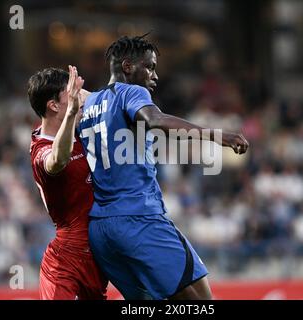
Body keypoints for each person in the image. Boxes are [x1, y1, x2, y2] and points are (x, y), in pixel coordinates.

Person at [77, 34, 249, 300]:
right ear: (127, 66)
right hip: (139, 219)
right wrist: (219, 136)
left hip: (101, 230)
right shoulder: (132, 91)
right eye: (150, 66)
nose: (154, 76)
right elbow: (154, 120)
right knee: (202, 302)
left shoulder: (88, 105)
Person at [28, 66, 108, 300]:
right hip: (65, 262)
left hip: (97, 258)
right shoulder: (40, 149)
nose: (80, 99)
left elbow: (100, 101)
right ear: (53, 106)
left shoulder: (80, 129)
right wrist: (72, 112)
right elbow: (58, 161)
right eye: (72, 95)